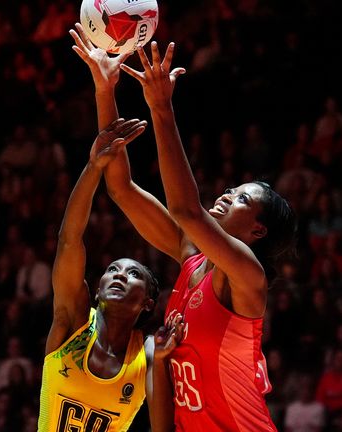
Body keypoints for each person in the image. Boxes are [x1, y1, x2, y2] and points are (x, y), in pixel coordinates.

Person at [70, 25, 295, 430]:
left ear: (258, 231)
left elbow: (188, 211)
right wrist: (106, 91)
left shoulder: (247, 277)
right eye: (230, 188)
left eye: (241, 199)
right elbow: (120, 188)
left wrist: (161, 108)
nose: (227, 195)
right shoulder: (193, 259)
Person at [37, 117, 175, 432]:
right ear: (97, 291)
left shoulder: (150, 352)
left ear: (148, 303)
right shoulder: (73, 322)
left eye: (133, 274)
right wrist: (93, 168)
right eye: (112, 269)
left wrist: (166, 360)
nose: (119, 275)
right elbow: (69, 240)